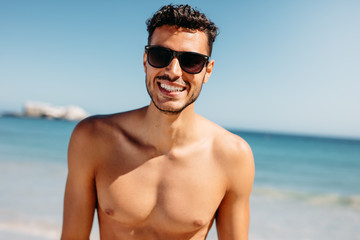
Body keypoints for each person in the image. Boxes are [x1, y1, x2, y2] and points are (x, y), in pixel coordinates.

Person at [61, 4, 254, 240]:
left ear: (208, 70)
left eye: (191, 61)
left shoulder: (233, 156)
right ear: (145, 60)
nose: (173, 72)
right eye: (160, 56)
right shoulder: (92, 138)